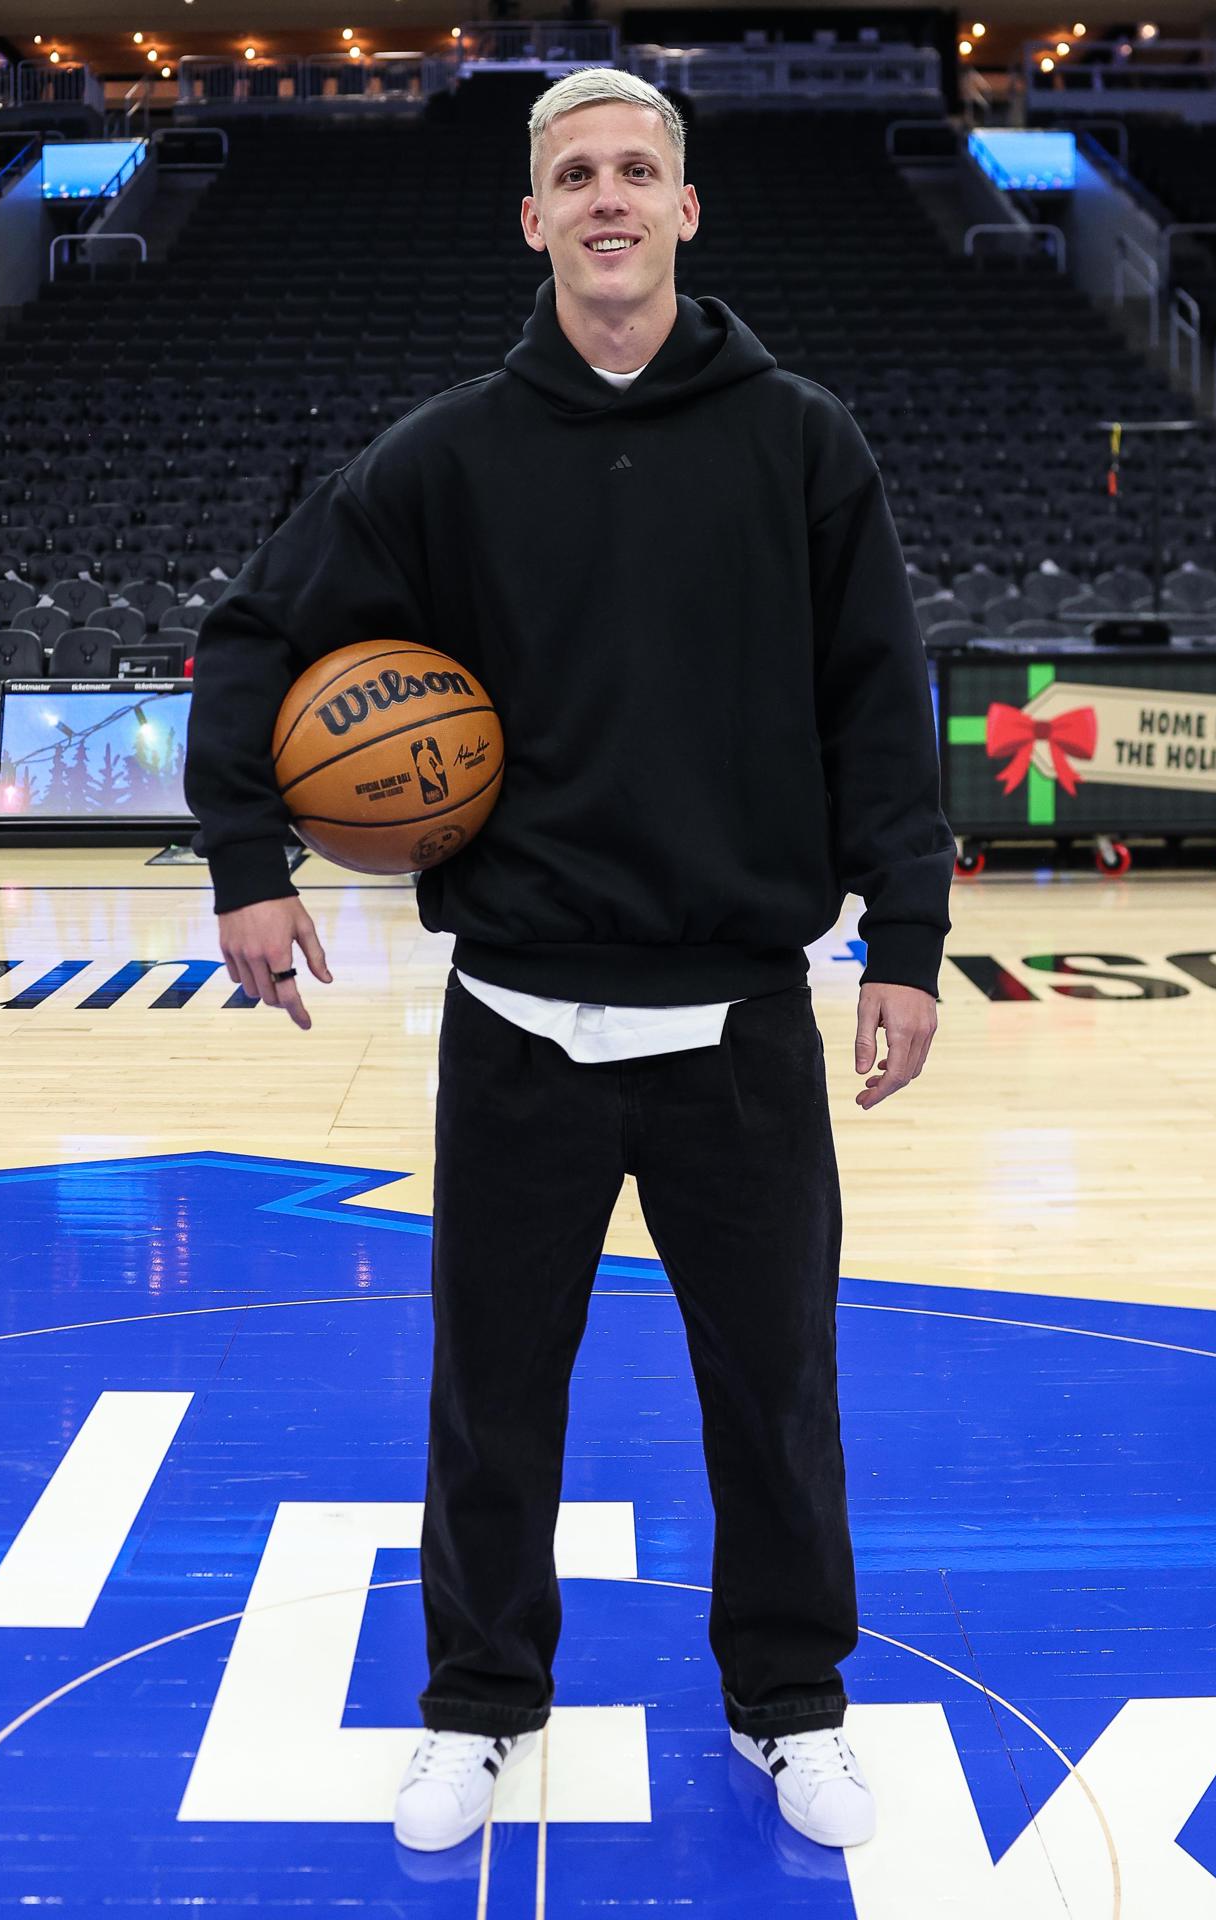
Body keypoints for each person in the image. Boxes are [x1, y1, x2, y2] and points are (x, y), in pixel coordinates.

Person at [184, 69, 954, 1858]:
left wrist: (903, 938)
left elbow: (876, 715)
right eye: (572, 177)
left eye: (636, 172)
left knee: (774, 1394)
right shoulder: (446, 454)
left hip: (741, 1014)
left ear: (688, 209)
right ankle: (475, 1705)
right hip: (520, 1009)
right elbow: (254, 632)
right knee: (489, 1394)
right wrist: (245, 855)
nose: (607, 198)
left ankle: (791, 1705)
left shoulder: (801, 441)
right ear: (530, 221)